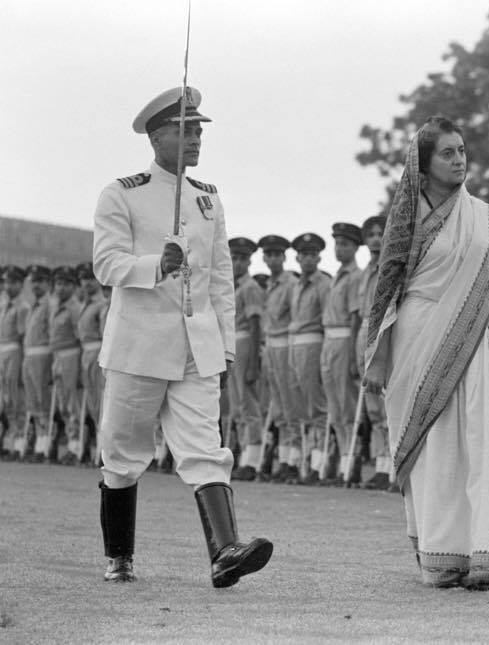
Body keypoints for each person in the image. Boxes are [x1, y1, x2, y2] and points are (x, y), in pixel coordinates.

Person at [93, 86, 272, 586]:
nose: (196, 138)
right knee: (124, 454)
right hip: (139, 344)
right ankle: (120, 556)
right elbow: (105, 263)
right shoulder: (121, 193)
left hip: (198, 344)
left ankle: (225, 552)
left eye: (199, 130)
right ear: (157, 137)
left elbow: (220, 279)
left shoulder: (207, 198)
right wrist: (156, 264)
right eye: (185, 129)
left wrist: (228, 344)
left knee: (203, 446)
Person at [363, 115, 489, 590]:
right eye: (448, 153)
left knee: (471, 442)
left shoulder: (484, 219)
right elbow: (386, 292)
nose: (459, 160)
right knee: (427, 444)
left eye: (462, 151)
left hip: (467, 339)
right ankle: (437, 554)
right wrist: (379, 357)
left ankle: (475, 556)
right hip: (414, 335)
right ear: (424, 164)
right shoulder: (406, 219)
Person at [288, 232, 332, 484]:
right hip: (296, 344)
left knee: (317, 405)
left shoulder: (323, 284)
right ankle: (307, 460)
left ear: (318, 257)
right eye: (303, 254)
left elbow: (326, 319)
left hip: (314, 342)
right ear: (297, 257)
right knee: (301, 404)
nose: (307, 259)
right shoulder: (296, 284)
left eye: (312, 254)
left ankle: (320, 462)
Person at [322, 222, 363, 484]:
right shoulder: (337, 275)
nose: (340, 248)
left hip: (344, 339)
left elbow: (355, 318)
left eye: (345, 244)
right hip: (328, 340)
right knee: (334, 409)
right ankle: (339, 464)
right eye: (337, 243)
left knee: (348, 406)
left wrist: (351, 356)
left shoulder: (356, 276)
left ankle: (351, 461)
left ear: (355, 248)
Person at [257, 234, 300, 483]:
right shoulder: (270, 285)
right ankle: (283, 459)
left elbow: (294, 318)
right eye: (268, 254)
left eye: (277, 254)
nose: (272, 259)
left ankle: (292, 460)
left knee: (289, 402)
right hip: (270, 345)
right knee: (278, 407)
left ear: (284, 257)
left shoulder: (291, 283)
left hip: (285, 344)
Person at [355, 216, 393, 490]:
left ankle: (392, 465)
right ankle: (380, 465)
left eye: (381, 233)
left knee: (387, 404)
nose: (375, 239)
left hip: (383, 333)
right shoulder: (365, 272)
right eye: (370, 234)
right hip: (364, 334)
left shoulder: (391, 268)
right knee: (373, 409)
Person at [226, 236, 264, 481]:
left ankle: (253, 460)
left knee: (249, 405)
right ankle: (242, 455)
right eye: (234, 258)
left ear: (249, 261)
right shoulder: (231, 286)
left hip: (244, 342)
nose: (237, 263)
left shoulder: (250, 288)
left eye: (242, 258)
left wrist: (253, 362)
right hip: (231, 343)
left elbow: (255, 324)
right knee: (237, 405)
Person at [48, 265, 82, 464]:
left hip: (71, 356)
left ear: (73, 287)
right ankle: (70, 441)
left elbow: (80, 339)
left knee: (72, 402)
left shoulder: (75, 308)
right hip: (57, 357)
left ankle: (76, 445)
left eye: (66, 284)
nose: (61, 288)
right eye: (58, 283)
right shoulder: (55, 307)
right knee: (62, 402)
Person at [75, 262, 108, 465]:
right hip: (86, 353)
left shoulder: (102, 305)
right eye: (83, 279)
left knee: (101, 403)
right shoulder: (84, 305)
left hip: (98, 353)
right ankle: (95, 447)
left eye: (90, 278)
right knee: (92, 404)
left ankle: (102, 450)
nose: (86, 283)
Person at [20, 265, 53, 462]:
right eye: (33, 281)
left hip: (43, 357)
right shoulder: (33, 305)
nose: (35, 285)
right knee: (32, 402)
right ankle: (38, 441)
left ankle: (45, 443)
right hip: (29, 357)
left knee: (43, 401)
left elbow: (52, 336)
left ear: (48, 283)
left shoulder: (50, 305)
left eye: (40, 281)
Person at [0, 266, 29, 459]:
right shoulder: (3, 304)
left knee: (15, 396)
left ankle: (18, 442)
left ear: (20, 284)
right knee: (4, 397)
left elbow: (22, 336)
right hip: (2, 351)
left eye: (11, 282)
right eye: (5, 282)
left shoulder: (23, 307)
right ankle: (7, 440)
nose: (7, 286)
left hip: (14, 351)